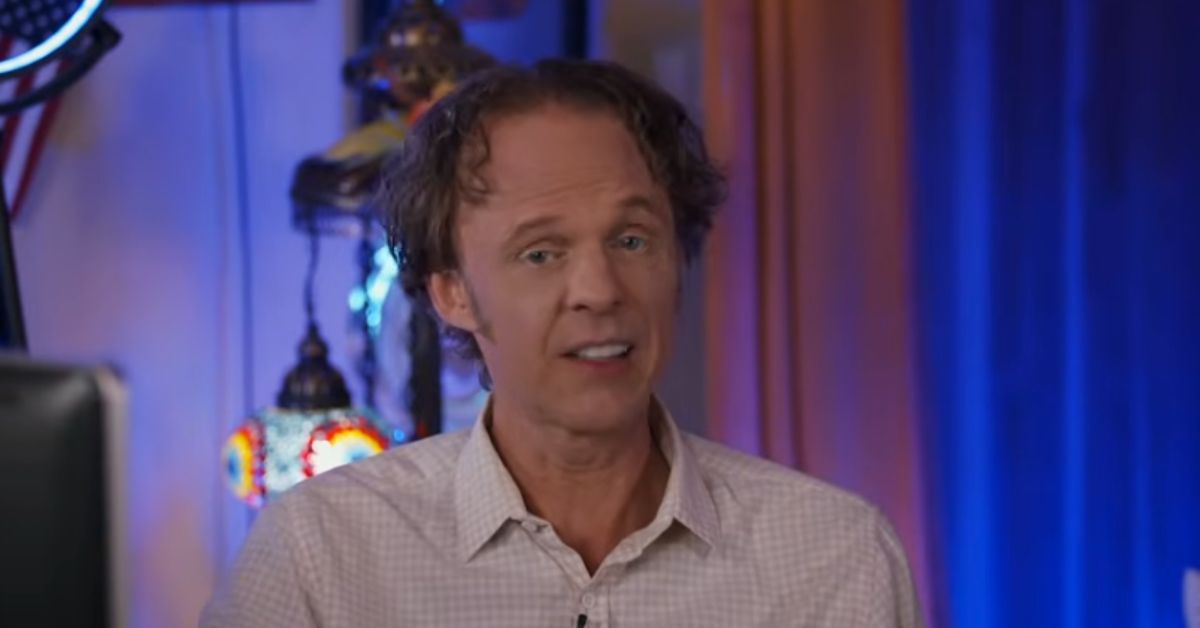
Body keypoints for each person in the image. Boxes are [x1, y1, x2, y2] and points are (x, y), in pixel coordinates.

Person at [203, 59, 924, 628]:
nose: (601, 290)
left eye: (632, 239)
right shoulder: (321, 553)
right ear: (451, 292)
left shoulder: (831, 555)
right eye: (542, 253)